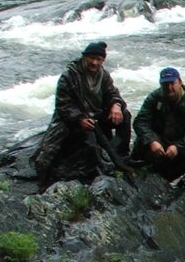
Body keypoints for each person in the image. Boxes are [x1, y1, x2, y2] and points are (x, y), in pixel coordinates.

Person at [33, 41, 132, 188]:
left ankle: (121, 155)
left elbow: (112, 93)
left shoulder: (103, 75)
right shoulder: (69, 76)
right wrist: (79, 119)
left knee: (125, 115)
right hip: (70, 118)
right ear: (84, 57)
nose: (94, 62)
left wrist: (116, 105)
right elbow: (63, 105)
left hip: (96, 115)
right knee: (47, 153)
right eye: (91, 58)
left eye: (98, 59)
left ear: (103, 61)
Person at [133, 67, 185, 191]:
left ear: (180, 82)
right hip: (162, 142)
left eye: (172, 83)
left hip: (183, 143)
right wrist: (152, 141)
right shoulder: (155, 97)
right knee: (142, 141)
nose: (169, 88)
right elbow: (140, 122)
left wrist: (179, 147)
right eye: (165, 84)